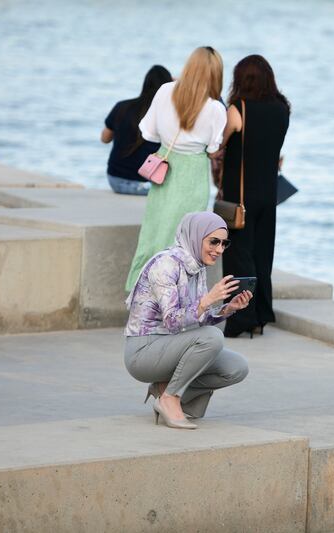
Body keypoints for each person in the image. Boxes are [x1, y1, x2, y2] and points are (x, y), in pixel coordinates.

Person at [124, 211, 252, 429]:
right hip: (143, 351)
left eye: (224, 243)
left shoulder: (196, 266)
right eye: (213, 242)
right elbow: (173, 321)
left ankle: (165, 389)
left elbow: (196, 322)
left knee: (236, 367)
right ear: (196, 236)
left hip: (171, 346)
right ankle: (169, 398)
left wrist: (226, 309)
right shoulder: (166, 265)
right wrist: (207, 300)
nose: (219, 250)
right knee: (213, 338)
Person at [125, 46, 228, 292]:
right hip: (193, 173)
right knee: (187, 240)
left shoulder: (164, 91)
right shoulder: (215, 109)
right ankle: (176, 298)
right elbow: (213, 147)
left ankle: (144, 294)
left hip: (165, 168)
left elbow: (148, 132)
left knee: (155, 232)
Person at [216, 55, 290, 337]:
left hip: (240, 196)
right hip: (269, 193)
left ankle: (240, 318)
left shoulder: (239, 109)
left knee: (238, 255)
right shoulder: (283, 109)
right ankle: (260, 315)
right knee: (263, 254)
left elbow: (219, 144)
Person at [101, 65, 173, 195]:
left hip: (115, 180)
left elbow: (105, 138)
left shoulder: (121, 107)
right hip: (149, 184)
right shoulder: (166, 114)